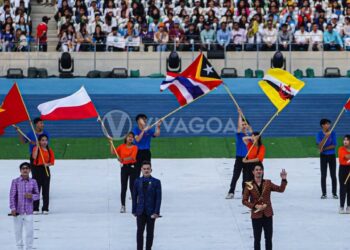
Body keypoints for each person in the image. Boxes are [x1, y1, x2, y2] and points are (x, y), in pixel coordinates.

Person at [242, 166, 287, 250]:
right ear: (253, 172)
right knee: (257, 240)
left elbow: (280, 189)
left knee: (269, 239)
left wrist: (283, 179)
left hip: (268, 215)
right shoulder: (249, 185)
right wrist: (255, 206)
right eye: (257, 170)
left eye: (260, 170)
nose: (259, 171)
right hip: (256, 216)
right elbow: (244, 201)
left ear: (262, 172)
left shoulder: (268, 183)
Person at [9, 162, 39, 250]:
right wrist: (13, 208)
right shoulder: (15, 181)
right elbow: (12, 196)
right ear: (20, 170)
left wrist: (31, 196)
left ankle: (29, 248)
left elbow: (37, 195)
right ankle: (19, 248)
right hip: (18, 212)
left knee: (29, 232)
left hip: (29, 211)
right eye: (23, 168)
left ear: (29, 170)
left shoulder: (33, 182)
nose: (25, 170)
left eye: (27, 168)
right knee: (18, 232)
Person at [132, 162, 162, 250]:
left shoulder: (156, 182)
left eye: (148, 169)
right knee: (139, 232)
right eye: (144, 169)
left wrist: (156, 212)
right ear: (141, 170)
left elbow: (158, 198)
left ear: (151, 170)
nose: (146, 170)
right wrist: (134, 210)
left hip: (151, 212)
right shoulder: (137, 181)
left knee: (150, 233)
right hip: (140, 211)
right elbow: (134, 197)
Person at [226, 110, 253, 199]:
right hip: (239, 158)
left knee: (246, 177)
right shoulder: (239, 133)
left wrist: (250, 131)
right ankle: (231, 192)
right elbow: (239, 126)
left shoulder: (251, 135)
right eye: (243, 124)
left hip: (248, 158)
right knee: (236, 175)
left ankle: (243, 193)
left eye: (246, 124)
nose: (244, 126)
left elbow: (253, 136)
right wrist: (240, 114)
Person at [110, 132, 138, 213]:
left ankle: (134, 207)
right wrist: (111, 143)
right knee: (123, 188)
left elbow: (132, 157)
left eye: (132, 137)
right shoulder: (121, 147)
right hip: (124, 169)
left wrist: (123, 159)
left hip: (132, 168)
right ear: (125, 138)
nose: (130, 138)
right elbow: (113, 152)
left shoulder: (135, 147)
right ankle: (123, 206)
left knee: (132, 187)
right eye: (128, 137)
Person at [31, 134, 55, 214]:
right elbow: (34, 157)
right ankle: (35, 208)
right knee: (36, 190)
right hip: (37, 170)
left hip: (45, 170)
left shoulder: (49, 150)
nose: (44, 142)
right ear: (39, 141)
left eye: (46, 140)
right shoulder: (36, 148)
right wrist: (37, 146)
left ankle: (45, 208)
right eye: (42, 140)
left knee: (46, 190)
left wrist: (47, 164)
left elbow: (52, 162)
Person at [316, 119, 337, 199]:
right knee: (323, 175)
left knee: (333, 175)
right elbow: (319, 145)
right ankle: (324, 193)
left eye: (329, 124)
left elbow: (334, 145)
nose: (329, 126)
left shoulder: (333, 133)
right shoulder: (319, 134)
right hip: (323, 157)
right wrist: (326, 137)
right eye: (327, 124)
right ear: (322, 125)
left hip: (332, 155)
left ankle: (334, 193)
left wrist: (323, 149)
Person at [338, 135, 350, 214]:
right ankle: (341, 206)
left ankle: (348, 206)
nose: (345, 141)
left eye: (347, 140)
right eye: (344, 140)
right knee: (343, 188)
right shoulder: (341, 149)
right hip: (343, 169)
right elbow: (345, 157)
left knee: (349, 189)